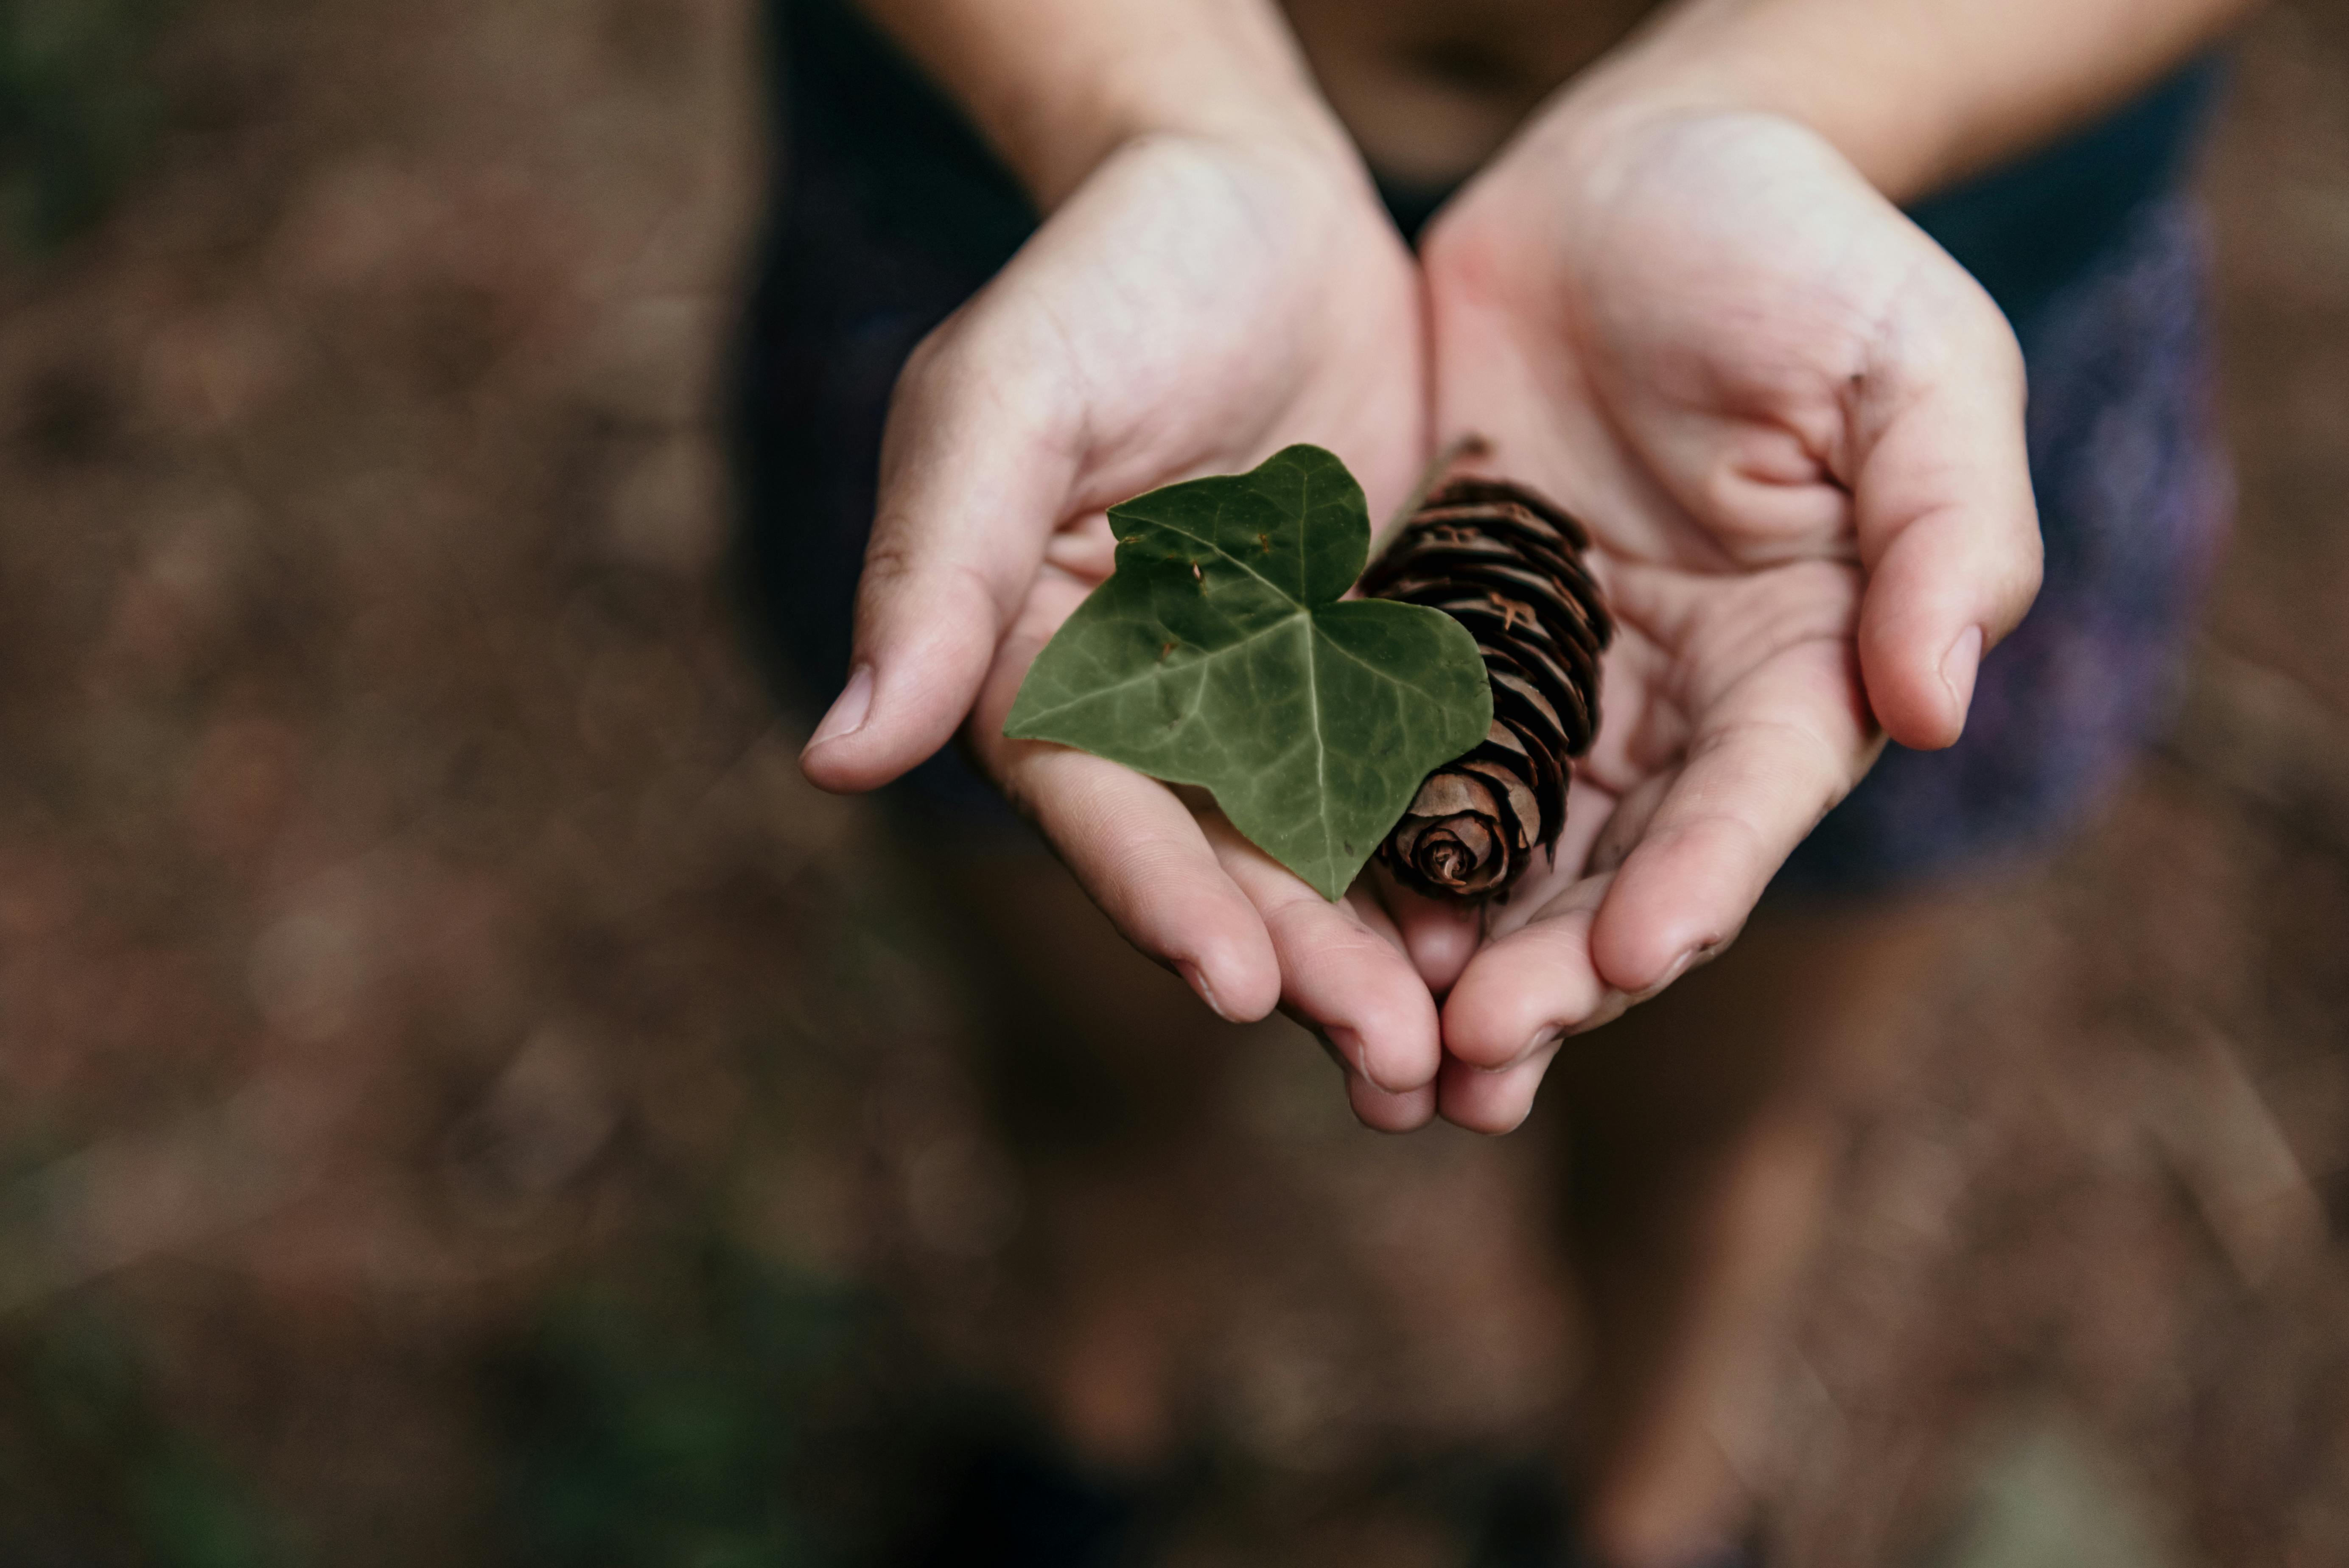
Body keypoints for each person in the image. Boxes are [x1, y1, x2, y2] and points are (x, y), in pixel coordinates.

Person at [734, 0, 2249, 1561]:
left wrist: (1795, 103)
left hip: (1838, 300)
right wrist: (1146, 105)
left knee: (1717, 1126)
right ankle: (1090, 1415)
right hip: (1051, 205)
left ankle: (1638, 1503)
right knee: (1081, 1055)